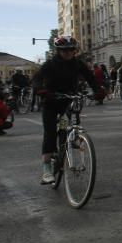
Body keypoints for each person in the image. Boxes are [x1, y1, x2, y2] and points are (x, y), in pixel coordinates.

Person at [32, 36, 99, 185]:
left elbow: (90, 77)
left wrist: (98, 90)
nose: (68, 53)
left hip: (68, 99)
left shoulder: (77, 63)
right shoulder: (50, 64)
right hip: (51, 100)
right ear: (58, 51)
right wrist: (40, 90)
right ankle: (46, 169)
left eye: (71, 50)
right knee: (50, 133)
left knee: (70, 124)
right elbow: (36, 79)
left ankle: (69, 140)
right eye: (64, 50)